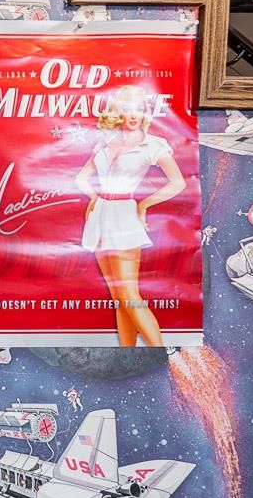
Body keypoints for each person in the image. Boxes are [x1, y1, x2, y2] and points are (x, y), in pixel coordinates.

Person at [74, 85, 188, 347]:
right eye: (128, 109)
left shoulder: (153, 145)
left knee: (129, 295)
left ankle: (160, 351)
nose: (134, 114)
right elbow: (81, 178)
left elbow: (178, 182)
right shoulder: (106, 142)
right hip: (100, 218)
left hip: (124, 218)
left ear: (146, 111)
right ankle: (129, 351)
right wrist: (93, 197)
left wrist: (145, 204)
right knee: (118, 298)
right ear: (119, 112)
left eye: (139, 108)